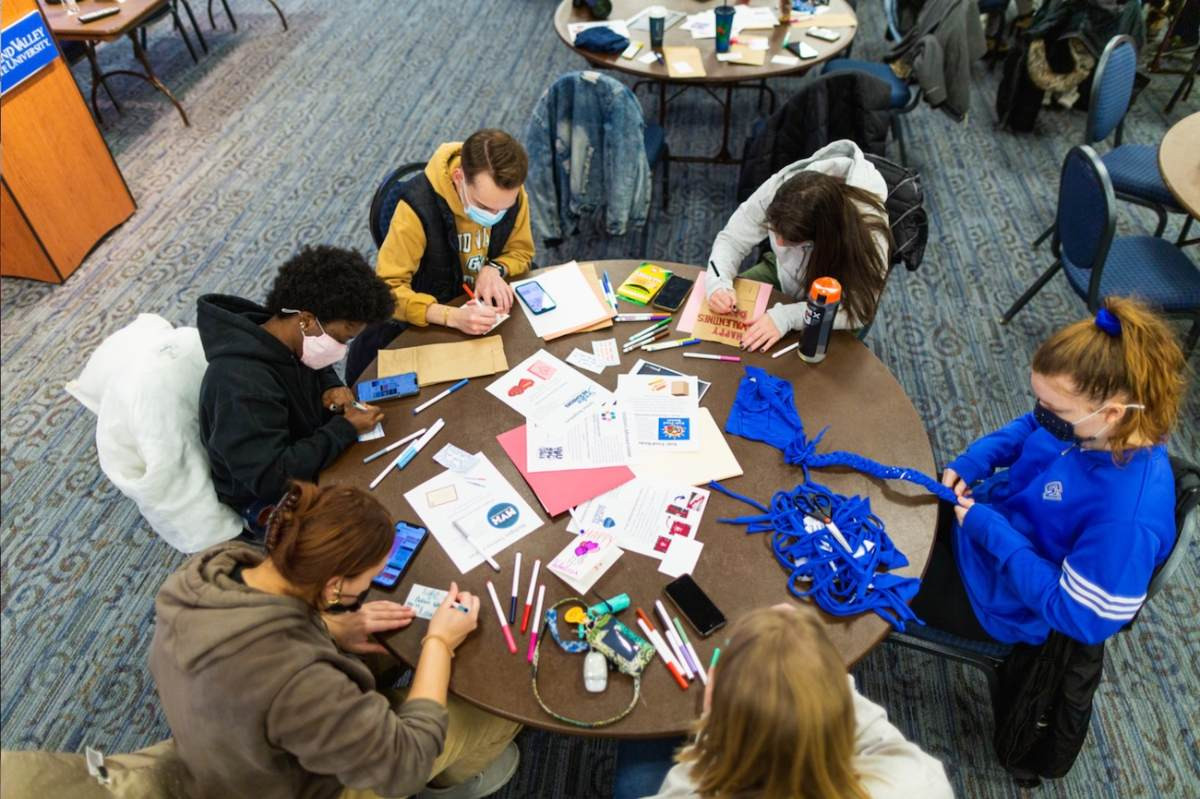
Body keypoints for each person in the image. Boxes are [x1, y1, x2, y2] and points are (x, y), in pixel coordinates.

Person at [149, 481, 522, 799]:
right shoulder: (297, 681)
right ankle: (454, 783)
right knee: (497, 704)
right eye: (369, 579)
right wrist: (438, 642)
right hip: (300, 787)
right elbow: (404, 763)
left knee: (387, 637)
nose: (371, 587)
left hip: (230, 746)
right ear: (334, 586)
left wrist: (328, 626)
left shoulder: (209, 571)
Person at [911, 297, 1185, 646]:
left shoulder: (1127, 521)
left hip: (995, 601)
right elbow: (1032, 426)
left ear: (1112, 414)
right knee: (879, 500)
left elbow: (1077, 615)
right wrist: (977, 458)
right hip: (984, 519)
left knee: (861, 568)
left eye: (1053, 407)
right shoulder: (1087, 426)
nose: (1041, 411)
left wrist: (993, 533)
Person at [615, 605, 952, 799]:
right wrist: (807, 668)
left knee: (635, 769)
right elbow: (875, 732)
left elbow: (697, 778)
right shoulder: (919, 783)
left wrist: (713, 730)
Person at [197, 245, 394, 534]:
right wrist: (344, 429)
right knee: (359, 534)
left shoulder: (286, 334)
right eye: (342, 340)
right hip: (266, 494)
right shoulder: (240, 387)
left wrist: (331, 386)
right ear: (306, 320)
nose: (341, 351)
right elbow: (271, 478)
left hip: (305, 443)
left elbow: (316, 362)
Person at [704, 140, 893, 352]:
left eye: (791, 240)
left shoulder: (869, 233)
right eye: (774, 230)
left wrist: (787, 317)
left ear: (822, 237)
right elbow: (733, 238)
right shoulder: (781, 189)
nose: (779, 242)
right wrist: (718, 283)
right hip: (783, 273)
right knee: (723, 334)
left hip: (839, 300)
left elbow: (858, 311)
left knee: (807, 374)